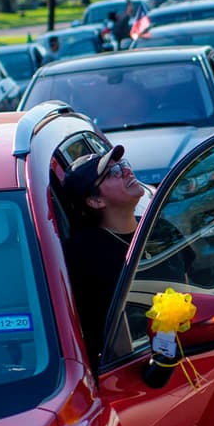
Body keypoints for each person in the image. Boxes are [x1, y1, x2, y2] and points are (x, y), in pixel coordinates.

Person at [60, 145, 142, 362]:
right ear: (95, 201)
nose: (126, 171)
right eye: (113, 173)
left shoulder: (160, 226)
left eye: (123, 165)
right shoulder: (82, 255)